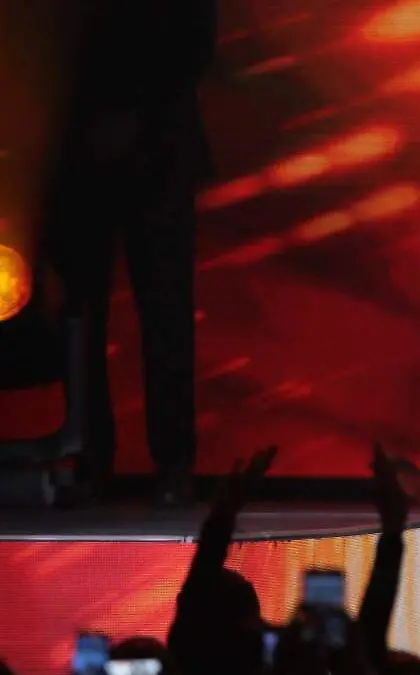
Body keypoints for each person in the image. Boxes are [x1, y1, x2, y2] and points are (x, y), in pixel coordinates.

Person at [40, 1, 217, 507]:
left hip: (134, 149)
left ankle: (147, 462)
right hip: (100, 150)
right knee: (93, 318)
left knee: (141, 316)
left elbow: (193, 41)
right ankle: (119, 460)